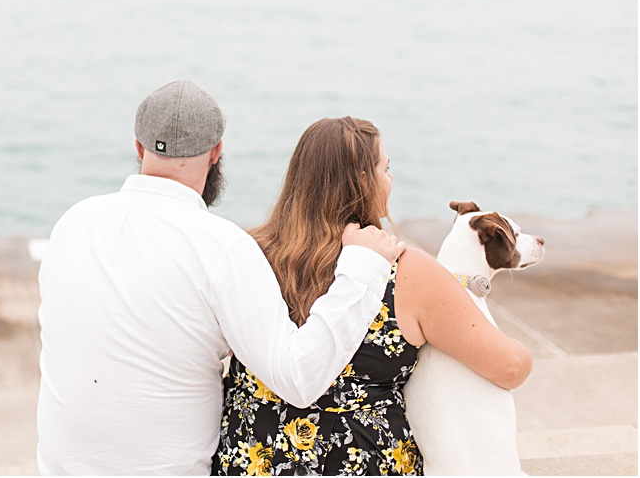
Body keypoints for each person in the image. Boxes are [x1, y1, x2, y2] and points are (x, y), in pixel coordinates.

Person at [36, 81, 406, 475]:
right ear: (217, 153)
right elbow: (298, 378)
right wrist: (362, 267)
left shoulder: (74, 223)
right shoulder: (221, 246)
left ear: (139, 148)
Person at [212, 117, 533, 476]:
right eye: (386, 168)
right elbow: (510, 366)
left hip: (250, 461)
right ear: (363, 181)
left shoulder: (248, 253)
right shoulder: (408, 271)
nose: (390, 178)